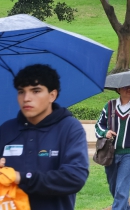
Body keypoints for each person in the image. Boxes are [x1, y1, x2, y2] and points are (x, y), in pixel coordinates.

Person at [0, 64, 89, 210]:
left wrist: (22, 177)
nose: (26, 98)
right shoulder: (6, 129)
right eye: (21, 91)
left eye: (36, 91)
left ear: (52, 95)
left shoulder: (69, 128)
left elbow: (74, 178)